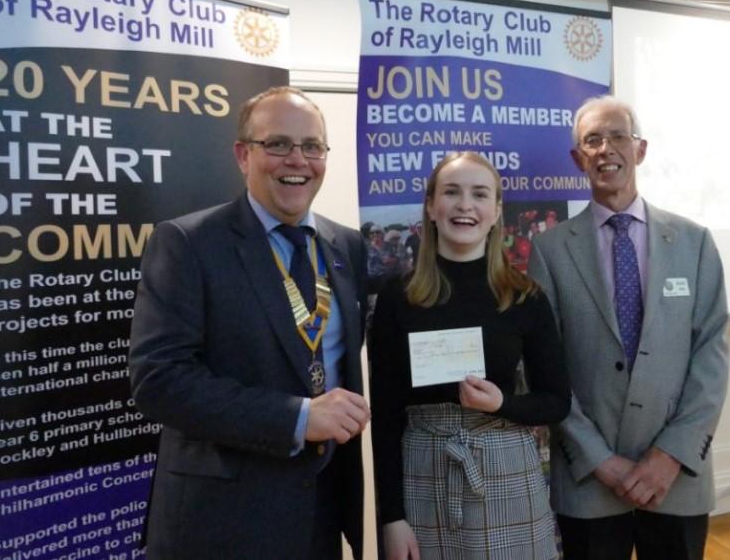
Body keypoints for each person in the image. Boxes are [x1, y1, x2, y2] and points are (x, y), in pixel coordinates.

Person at [128, 86, 371, 559]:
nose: (297, 160)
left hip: (319, 513)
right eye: (277, 144)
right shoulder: (188, 243)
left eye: (312, 146)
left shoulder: (347, 247)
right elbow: (159, 381)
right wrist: (299, 417)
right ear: (243, 154)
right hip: (221, 522)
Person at [528, 95, 729, 560]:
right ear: (578, 159)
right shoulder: (551, 251)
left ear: (640, 150)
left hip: (675, 477)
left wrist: (670, 455)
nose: (605, 149)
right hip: (590, 480)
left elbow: (712, 357)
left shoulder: (694, 243)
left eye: (618, 136)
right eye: (592, 140)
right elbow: (545, 365)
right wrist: (600, 461)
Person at [370, 152, 571, 560]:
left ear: (496, 212)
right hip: (424, 470)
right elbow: (386, 416)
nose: (465, 205)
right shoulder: (398, 297)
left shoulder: (525, 296)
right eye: (451, 192)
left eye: (480, 194)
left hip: (506, 468)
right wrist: (391, 517)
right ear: (430, 206)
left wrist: (503, 403)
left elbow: (556, 401)